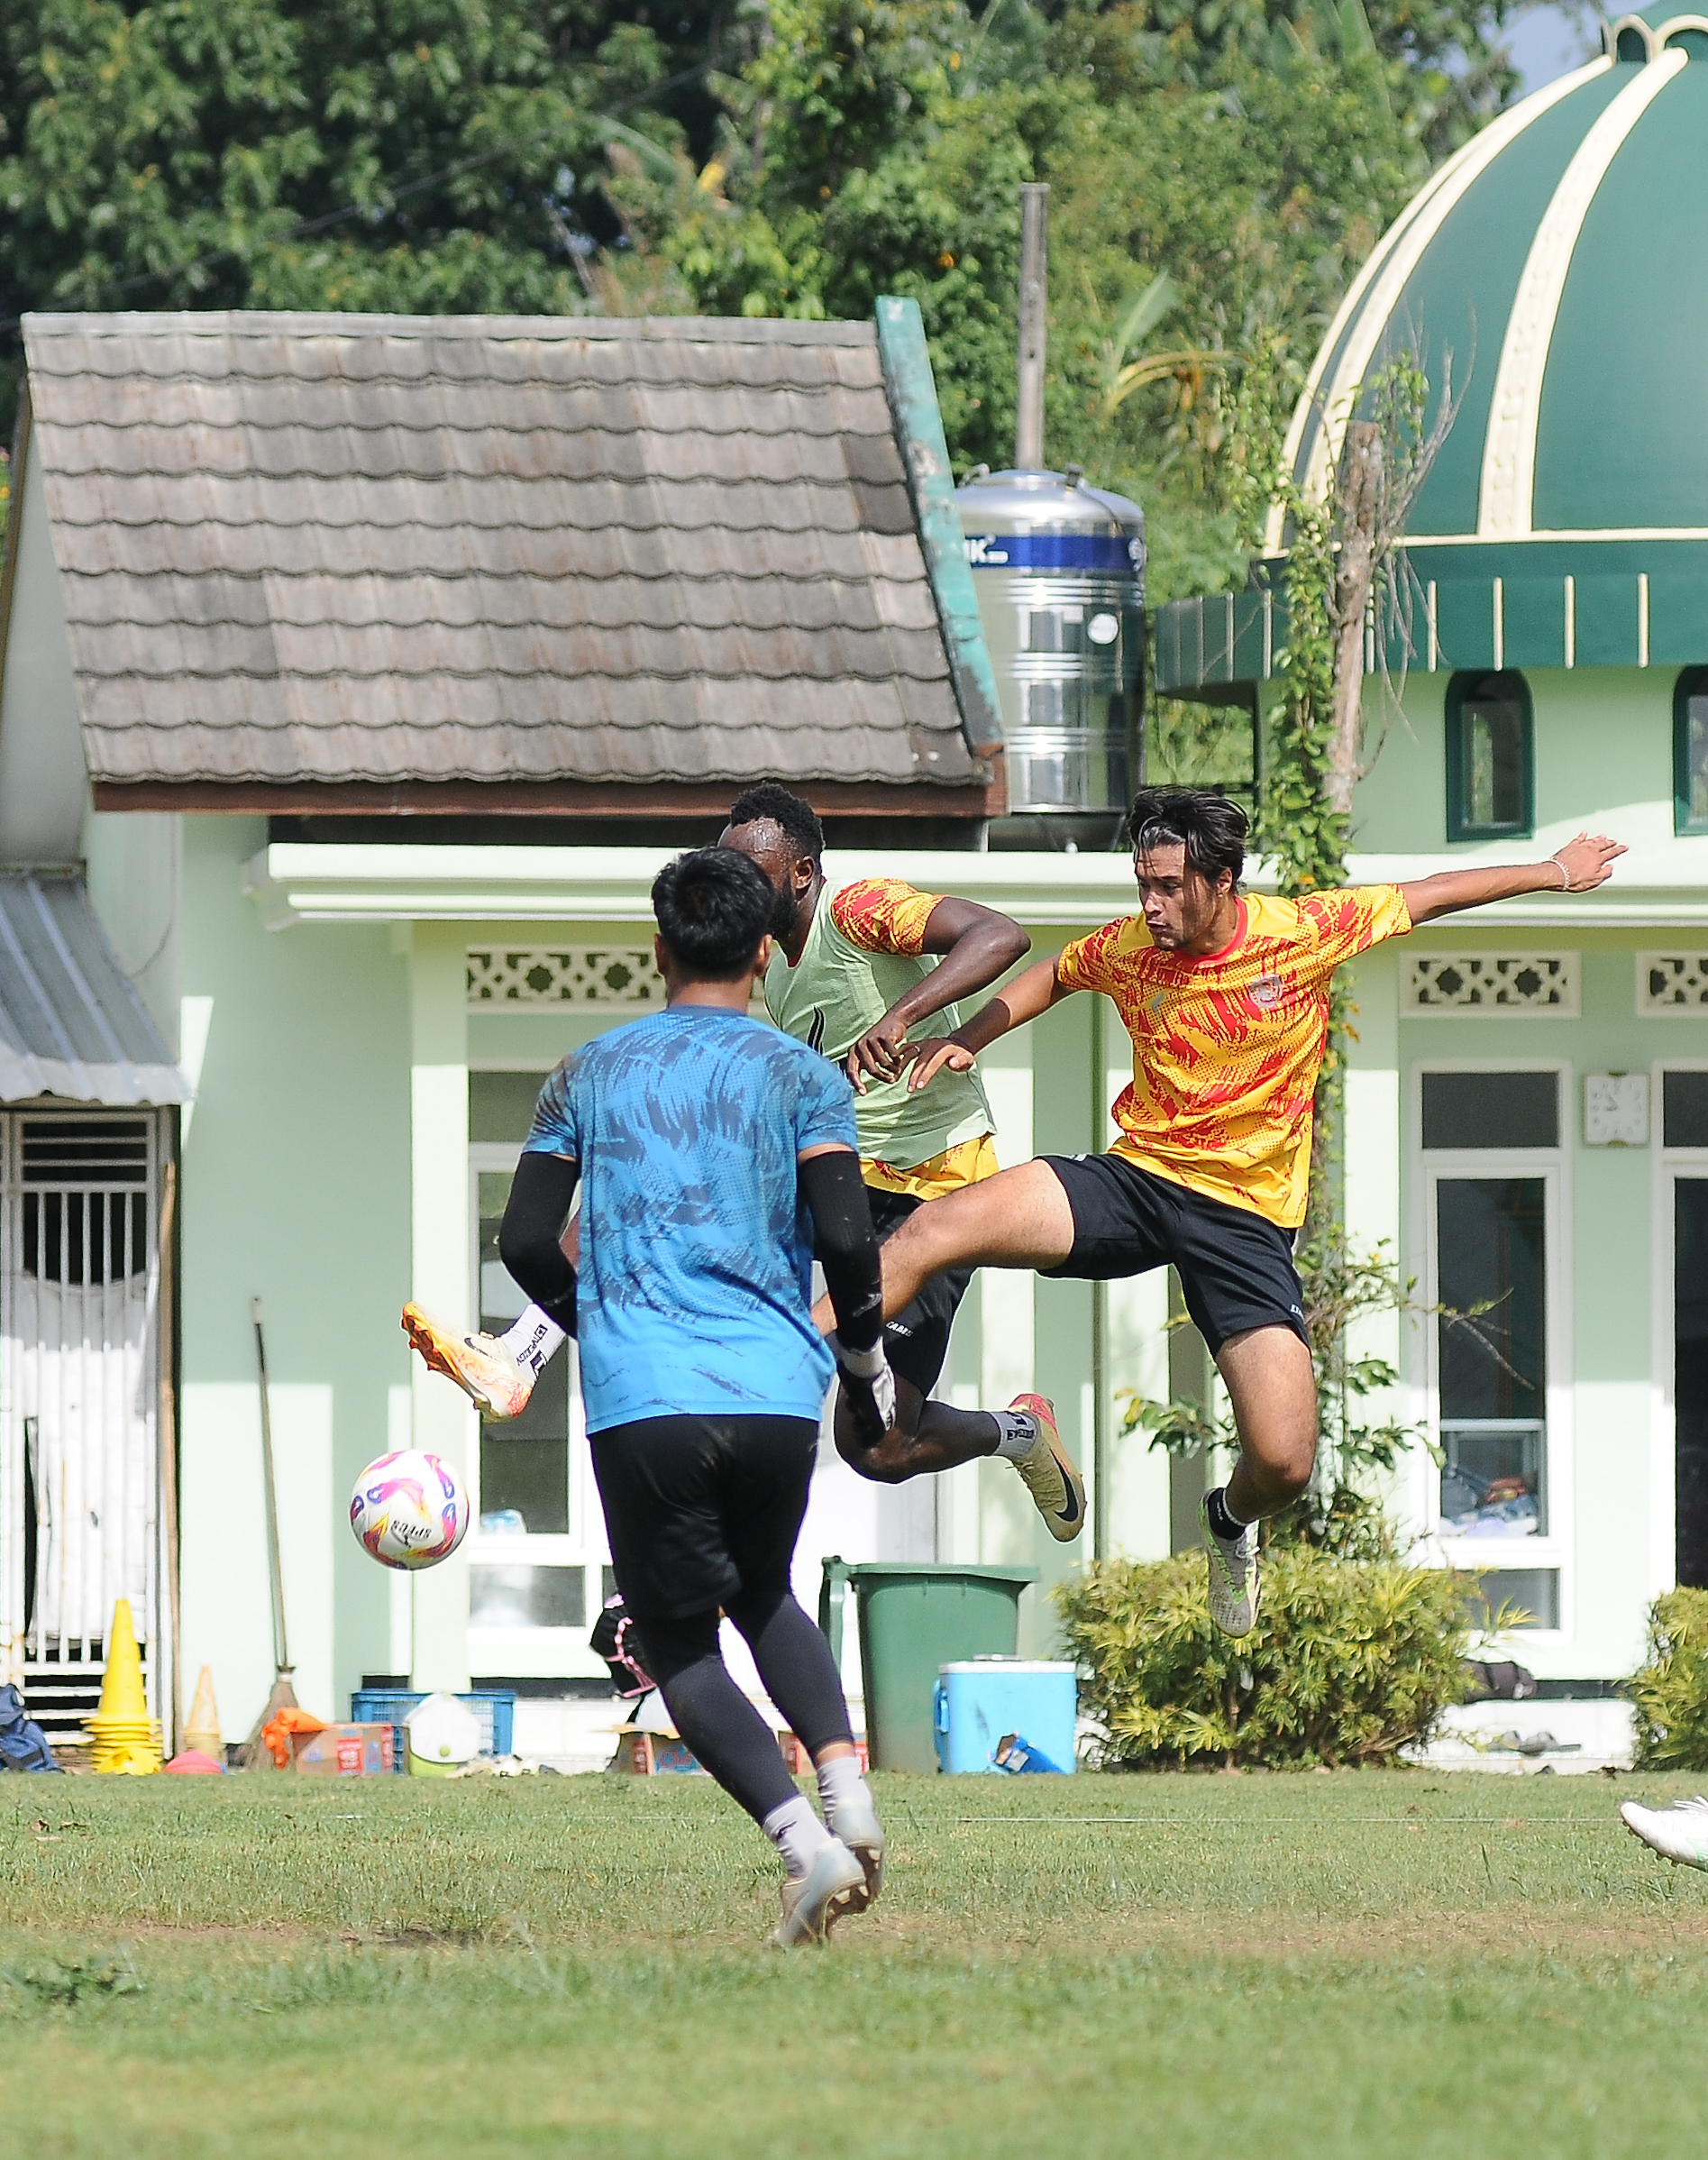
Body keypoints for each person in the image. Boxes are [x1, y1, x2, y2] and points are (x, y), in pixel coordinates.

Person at [858, 786, 1625, 1637]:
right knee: (932, 1228)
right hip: (1138, 1178)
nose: (1149, 905)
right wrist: (974, 1034)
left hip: (1243, 1221)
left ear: (1222, 881)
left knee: (1285, 1463)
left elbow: (1433, 892)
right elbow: (1050, 972)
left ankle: (1227, 1521)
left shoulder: (1301, 933)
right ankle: (789, 1351)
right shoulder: (1129, 947)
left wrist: (1555, 870)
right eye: (1140, 884)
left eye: (1168, 887)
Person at [406, 781, 1088, 1542]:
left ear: (800, 874)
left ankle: (1019, 1433)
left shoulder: (859, 908)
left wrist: (902, 1016)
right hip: (838, 1171)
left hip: (933, 1189)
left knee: (879, 1447)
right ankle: (522, 1353)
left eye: (748, 871)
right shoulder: (769, 960)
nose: (732, 884)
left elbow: (1000, 935)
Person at [492, 846, 893, 1946]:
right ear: (765, 952)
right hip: (774, 1385)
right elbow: (849, 1239)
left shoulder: (586, 1070)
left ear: (658, 948)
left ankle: (802, 1848)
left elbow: (524, 1238)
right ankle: (850, 1801)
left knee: (673, 1639)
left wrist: (599, 1313)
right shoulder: (803, 1077)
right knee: (766, 1590)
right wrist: (859, 1360)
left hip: (644, 1395)